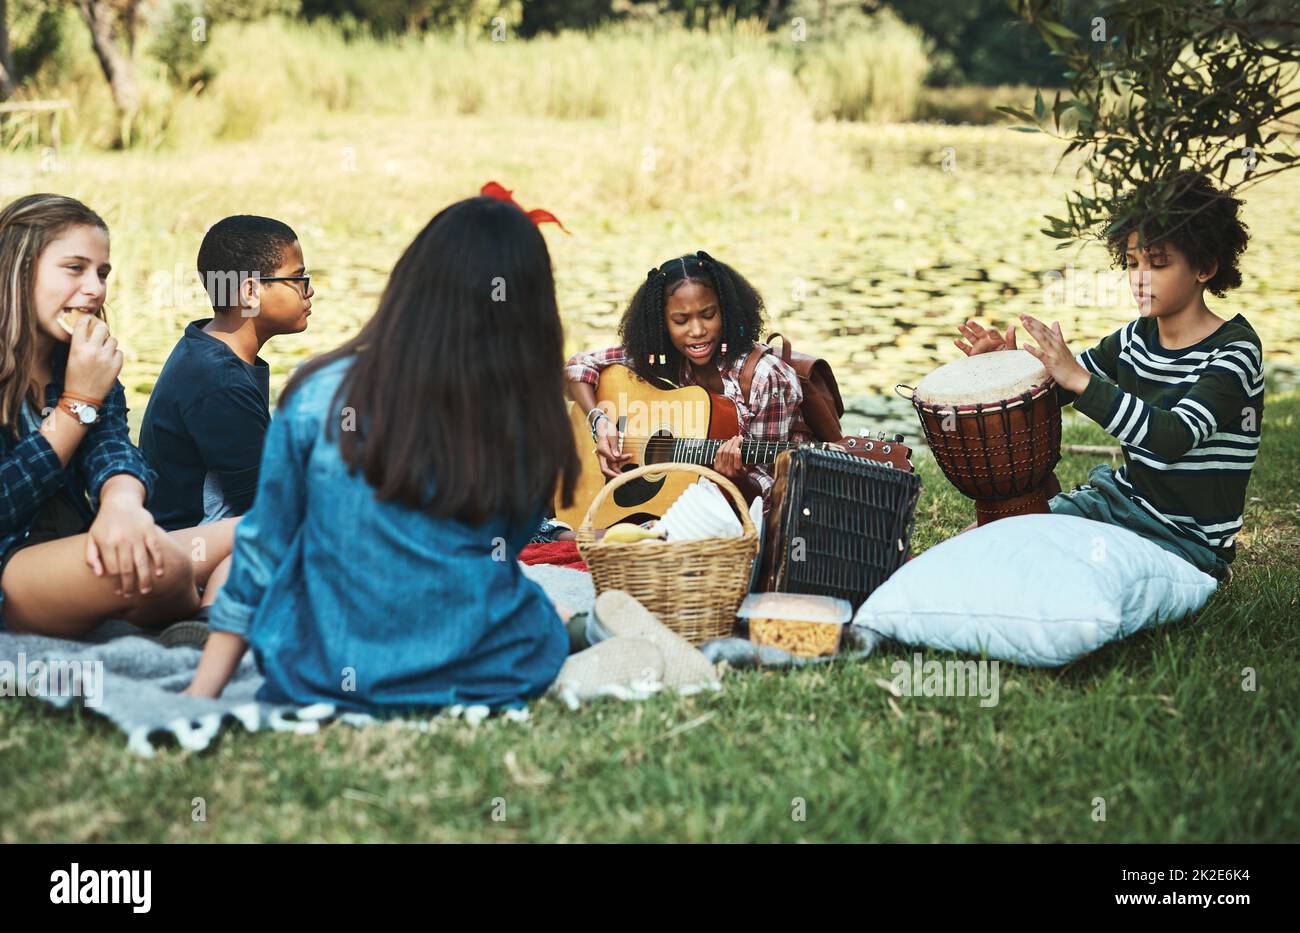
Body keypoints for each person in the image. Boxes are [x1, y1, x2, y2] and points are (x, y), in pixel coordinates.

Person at [184, 193, 580, 710]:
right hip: (482, 669)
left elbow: (263, 549)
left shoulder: (317, 390)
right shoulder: (524, 414)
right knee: (541, 611)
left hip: (318, 671)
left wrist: (199, 694)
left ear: (412, 282)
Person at [955, 172, 1261, 579]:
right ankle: (869, 607)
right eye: (1132, 263)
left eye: (1158, 263)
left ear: (1204, 266)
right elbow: (1053, 394)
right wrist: (1008, 369)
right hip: (1114, 503)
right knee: (978, 544)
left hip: (1184, 542)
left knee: (1048, 575)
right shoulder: (1134, 337)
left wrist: (1080, 380)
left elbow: (1172, 438)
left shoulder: (1235, 351)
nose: (1139, 277)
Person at [0, 194, 235, 639]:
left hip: (82, 549)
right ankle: (200, 611)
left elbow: (112, 446)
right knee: (161, 565)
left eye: (102, 273)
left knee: (271, 527)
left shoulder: (84, 354)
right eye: (75, 268)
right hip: (13, 570)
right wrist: (75, 404)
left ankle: (204, 631)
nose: (95, 288)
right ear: (17, 268)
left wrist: (122, 503)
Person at [564, 251, 804, 504]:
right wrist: (599, 421)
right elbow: (578, 366)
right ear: (661, 325)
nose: (698, 331)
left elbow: (771, 495)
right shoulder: (667, 360)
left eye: (708, 315)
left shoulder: (765, 378)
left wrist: (737, 478)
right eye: (681, 320)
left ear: (727, 311)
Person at [140, 215, 313, 530]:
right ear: (250, 292)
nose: (309, 290)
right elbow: (268, 507)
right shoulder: (217, 380)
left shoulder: (204, 348)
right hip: (192, 553)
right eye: (297, 278)